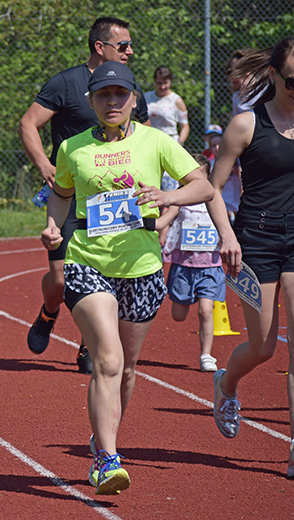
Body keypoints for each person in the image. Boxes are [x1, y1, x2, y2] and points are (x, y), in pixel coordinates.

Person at [41, 62, 213, 495]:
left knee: (129, 368)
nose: (112, 101)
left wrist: (167, 195)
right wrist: (52, 226)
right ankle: (106, 459)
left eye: (121, 94)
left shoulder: (157, 141)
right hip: (88, 262)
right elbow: (61, 196)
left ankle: (102, 437)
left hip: (142, 267)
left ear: (135, 99)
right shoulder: (73, 148)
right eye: (104, 95)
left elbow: (203, 186)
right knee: (108, 360)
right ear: (92, 100)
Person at [18, 16, 150, 374]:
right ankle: (48, 313)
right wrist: (45, 165)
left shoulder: (127, 85)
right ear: (100, 47)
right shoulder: (66, 82)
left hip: (114, 199)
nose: (130, 52)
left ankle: (87, 345)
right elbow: (28, 122)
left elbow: (145, 136)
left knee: (104, 275)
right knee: (61, 278)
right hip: (70, 195)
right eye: (123, 46)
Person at [205, 38, 294, 479]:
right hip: (255, 240)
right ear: (275, 76)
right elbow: (211, 187)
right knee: (261, 346)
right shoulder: (245, 125)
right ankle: (226, 383)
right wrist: (226, 235)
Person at [159, 155, 225, 372]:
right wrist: (155, 230)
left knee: (206, 310)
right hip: (184, 265)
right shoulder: (179, 201)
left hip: (210, 265)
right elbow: (165, 221)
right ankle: (187, 296)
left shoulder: (215, 201)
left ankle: (206, 355)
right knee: (178, 316)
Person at [144, 66, 190, 192]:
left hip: (170, 142)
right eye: (159, 83)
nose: (162, 86)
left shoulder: (177, 100)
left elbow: (185, 126)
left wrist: (179, 143)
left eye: (165, 83)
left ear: (170, 82)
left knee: (169, 184)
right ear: (154, 82)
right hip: (150, 143)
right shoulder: (147, 97)